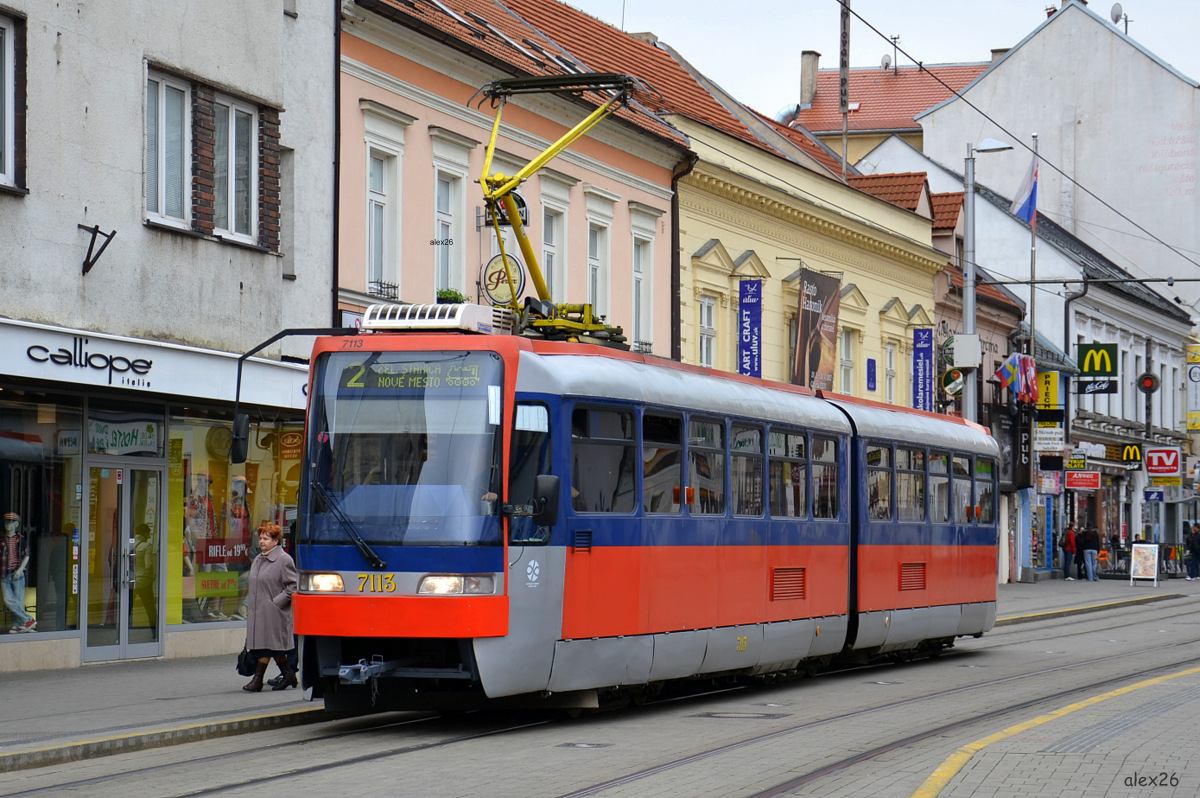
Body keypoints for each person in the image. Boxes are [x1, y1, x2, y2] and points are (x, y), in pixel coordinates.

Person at [242, 522, 298, 692]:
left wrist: (275, 603)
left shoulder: (284, 559)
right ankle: (288, 676)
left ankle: (258, 680)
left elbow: (292, 586)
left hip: (275, 613)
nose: (262, 542)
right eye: (260, 538)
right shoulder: (259, 559)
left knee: (269, 646)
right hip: (259, 612)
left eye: (266, 538)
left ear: (276, 541)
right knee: (270, 647)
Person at [1, 512, 36, 633]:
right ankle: (28, 620)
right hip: (4, 574)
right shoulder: (2, 540)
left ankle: (15, 625)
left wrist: (20, 570)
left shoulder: (21, 539)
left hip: (18, 573)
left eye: (11, 522)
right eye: (7, 522)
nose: (8, 524)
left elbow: (27, 555)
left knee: (17, 601)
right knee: (8, 600)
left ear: (16, 524)